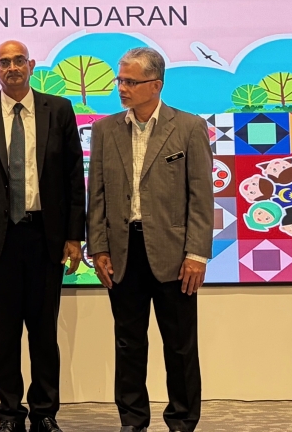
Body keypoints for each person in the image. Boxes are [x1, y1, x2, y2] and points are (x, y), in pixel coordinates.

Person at [0, 40, 86, 432]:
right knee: (6, 335)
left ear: (31, 66)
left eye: (18, 61)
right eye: (3, 63)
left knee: (44, 334)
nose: (11, 67)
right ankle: (10, 414)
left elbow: (72, 178)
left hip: (45, 238)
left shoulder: (58, 109)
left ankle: (45, 413)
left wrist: (74, 235)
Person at [87, 47, 213, 432]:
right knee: (128, 343)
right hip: (124, 252)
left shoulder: (188, 127)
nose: (122, 88)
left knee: (179, 346)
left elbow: (201, 196)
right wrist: (99, 248)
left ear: (155, 85)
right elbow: (99, 194)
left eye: (130, 81)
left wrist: (197, 255)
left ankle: (181, 420)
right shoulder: (105, 129)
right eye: (120, 80)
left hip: (175, 256)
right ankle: (133, 420)